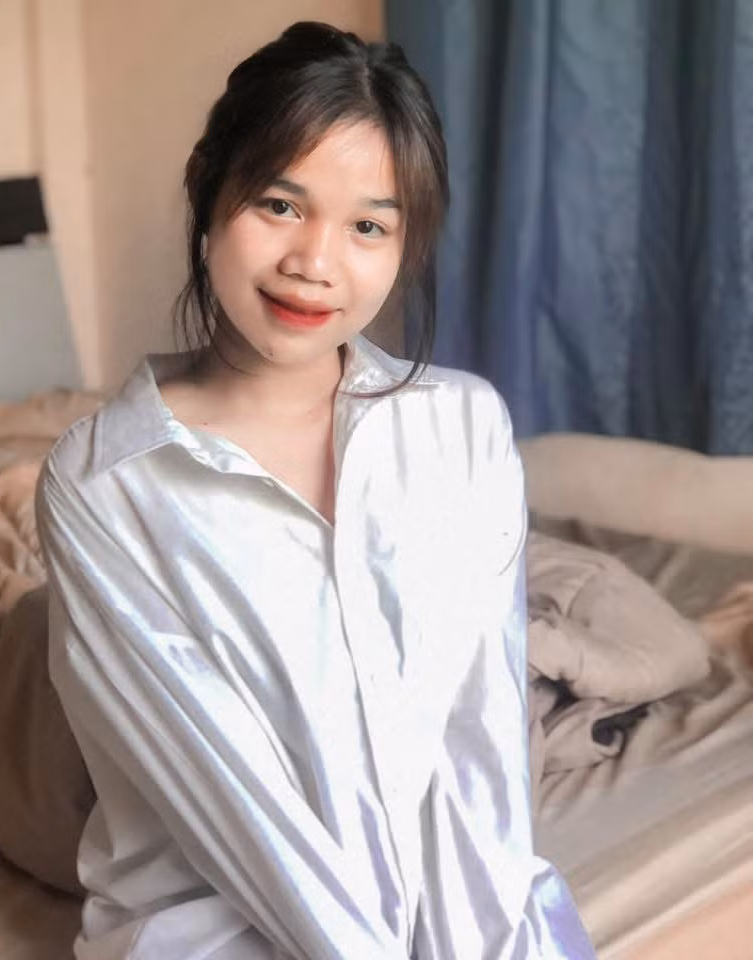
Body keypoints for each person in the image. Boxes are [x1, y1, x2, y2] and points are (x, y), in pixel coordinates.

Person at [37, 21, 597, 960]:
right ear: (208, 193)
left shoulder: (464, 430)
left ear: (405, 246)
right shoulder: (106, 483)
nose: (315, 262)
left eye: (368, 226)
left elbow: (477, 755)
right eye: (280, 205)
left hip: (465, 917)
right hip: (219, 927)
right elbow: (241, 812)